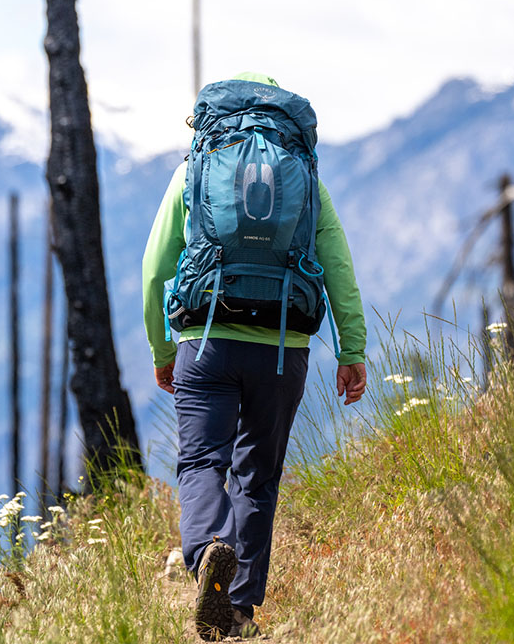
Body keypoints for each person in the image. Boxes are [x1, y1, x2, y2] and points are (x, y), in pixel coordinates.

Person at [142, 72, 367, 640]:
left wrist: (162, 345)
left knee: (200, 463)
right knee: (257, 477)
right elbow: (336, 262)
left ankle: (207, 550)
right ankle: (237, 611)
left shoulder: (195, 167)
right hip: (283, 344)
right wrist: (352, 348)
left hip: (207, 337)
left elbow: (155, 264)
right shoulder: (305, 177)